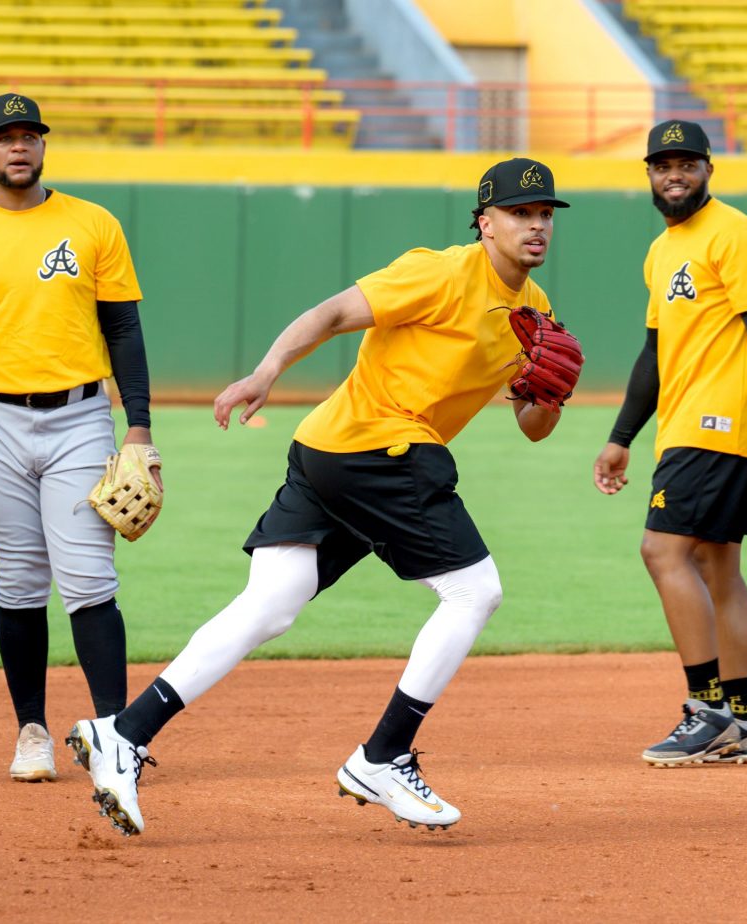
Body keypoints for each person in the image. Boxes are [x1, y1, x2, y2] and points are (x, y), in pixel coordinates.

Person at [67, 157, 575, 836]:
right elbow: (334, 313)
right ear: (486, 223)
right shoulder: (441, 272)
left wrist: (550, 393)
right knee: (474, 592)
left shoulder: (534, 311)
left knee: (269, 605)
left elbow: (532, 426)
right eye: (520, 213)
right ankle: (384, 756)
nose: (536, 225)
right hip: (379, 447)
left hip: (332, 453)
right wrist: (266, 371)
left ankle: (125, 733)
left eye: (544, 214)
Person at [0, 93, 158, 783]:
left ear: (43, 147)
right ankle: (32, 733)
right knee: (18, 582)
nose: (19, 146)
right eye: (5, 136)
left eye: (30, 135)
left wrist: (137, 426)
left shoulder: (92, 224)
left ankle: (116, 735)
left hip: (80, 417)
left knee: (88, 578)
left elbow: (124, 331)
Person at [593, 119, 747, 767]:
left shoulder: (736, 234)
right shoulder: (662, 250)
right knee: (718, 568)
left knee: (662, 552)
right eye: (663, 165)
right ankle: (743, 723)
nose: (674, 175)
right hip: (684, 427)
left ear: (708, 170)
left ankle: (709, 709)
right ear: (648, 175)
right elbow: (655, 353)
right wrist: (620, 437)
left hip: (719, 426)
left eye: (687, 164)